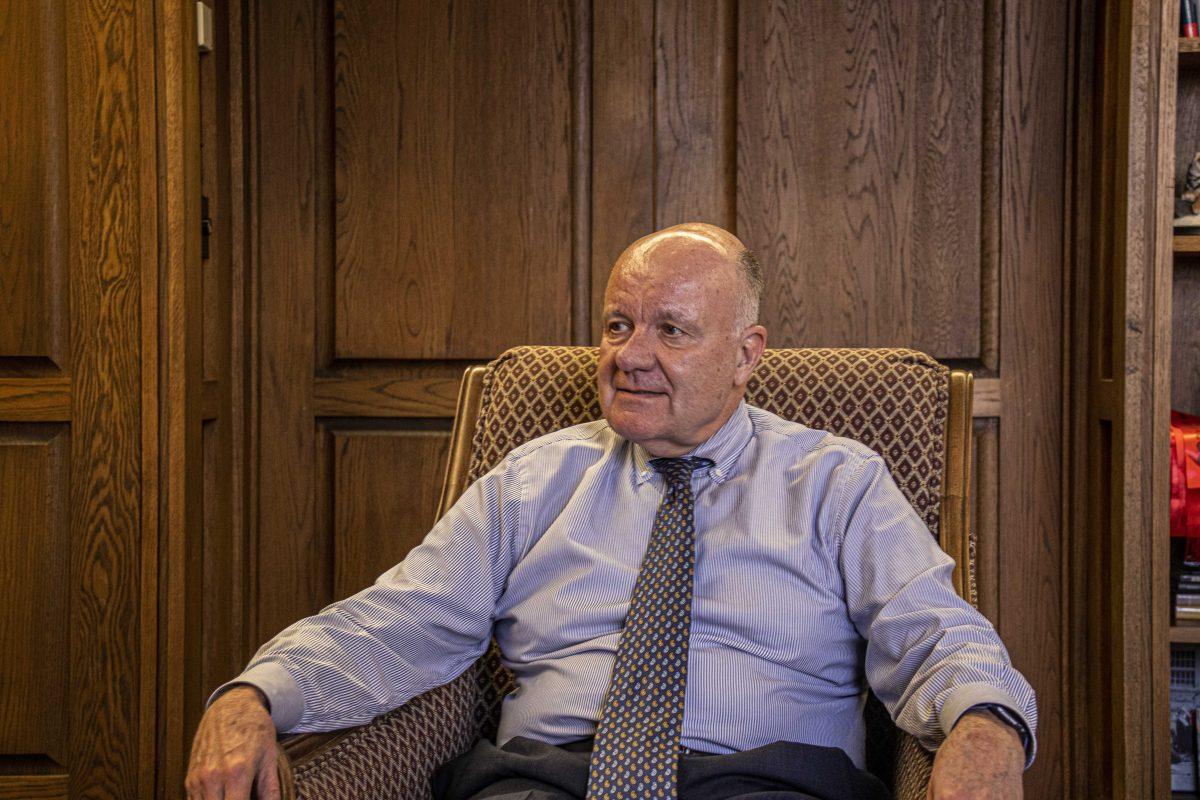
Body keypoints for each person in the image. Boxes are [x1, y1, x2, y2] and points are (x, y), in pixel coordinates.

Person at [187, 223, 1035, 800]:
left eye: (671, 330)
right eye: (618, 324)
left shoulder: (837, 482)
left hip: (765, 783)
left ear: (747, 355)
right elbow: (401, 619)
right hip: (543, 782)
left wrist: (986, 721)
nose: (630, 356)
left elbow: (934, 632)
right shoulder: (535, 481)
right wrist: (255, 692)